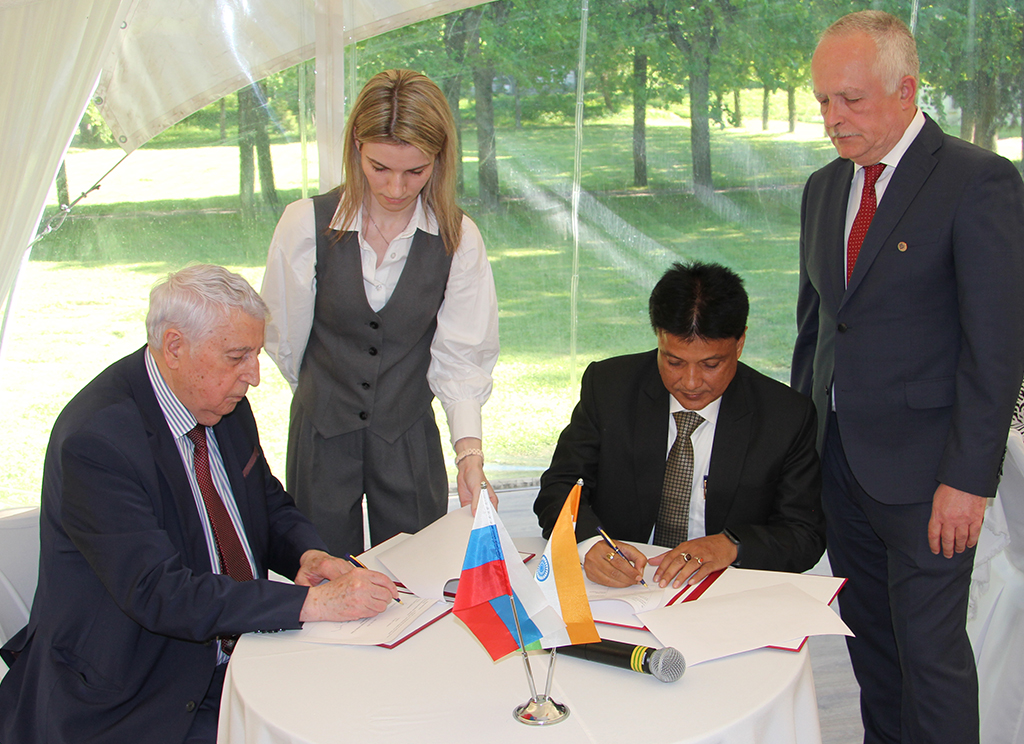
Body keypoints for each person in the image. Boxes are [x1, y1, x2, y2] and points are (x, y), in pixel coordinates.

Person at [0, 265, 399, 744]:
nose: (254, 376)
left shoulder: (218, 399)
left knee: (372, 707)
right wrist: (313, 603)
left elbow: (263, 500)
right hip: (135, 694)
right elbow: (159, 592)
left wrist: (307, 555)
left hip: (238, 654)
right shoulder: (97, 441)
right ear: (174, 347)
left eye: (255, 354)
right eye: (237, 356)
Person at [791, 11, 1024, 744]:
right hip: (841, 471)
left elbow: (996, 349)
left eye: (851, 100)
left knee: (931, 659)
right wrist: (799, 457)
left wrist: (969, 481)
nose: (833, 117)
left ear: (906, 90)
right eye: (823, 99)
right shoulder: (824, 188)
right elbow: (815, 335)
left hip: (931, 481)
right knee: (873, 652)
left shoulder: (977, 181)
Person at [261, 69, 499, 557]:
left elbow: (461, 358)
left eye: (415, 171)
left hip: (407, 436)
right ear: (356, 147)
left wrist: (469, 455)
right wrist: (327, 398)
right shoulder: (304, 225)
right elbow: (284, 341)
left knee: (417, 573)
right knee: (323, 571)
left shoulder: (459, 238)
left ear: (440, 159)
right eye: (379, 167)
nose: (395, 187)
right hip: (321, 436)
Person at [535, 261, 825, 589]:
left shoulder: (785, 415)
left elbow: (805, 534)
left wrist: (733, 546)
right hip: (624, 584)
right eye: (674, 362)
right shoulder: (610, 387)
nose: (690, 382)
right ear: (659, 338)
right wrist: (589, 543)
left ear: (740, 343)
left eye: (710, 365)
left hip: (726, 589)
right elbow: (561, 486)